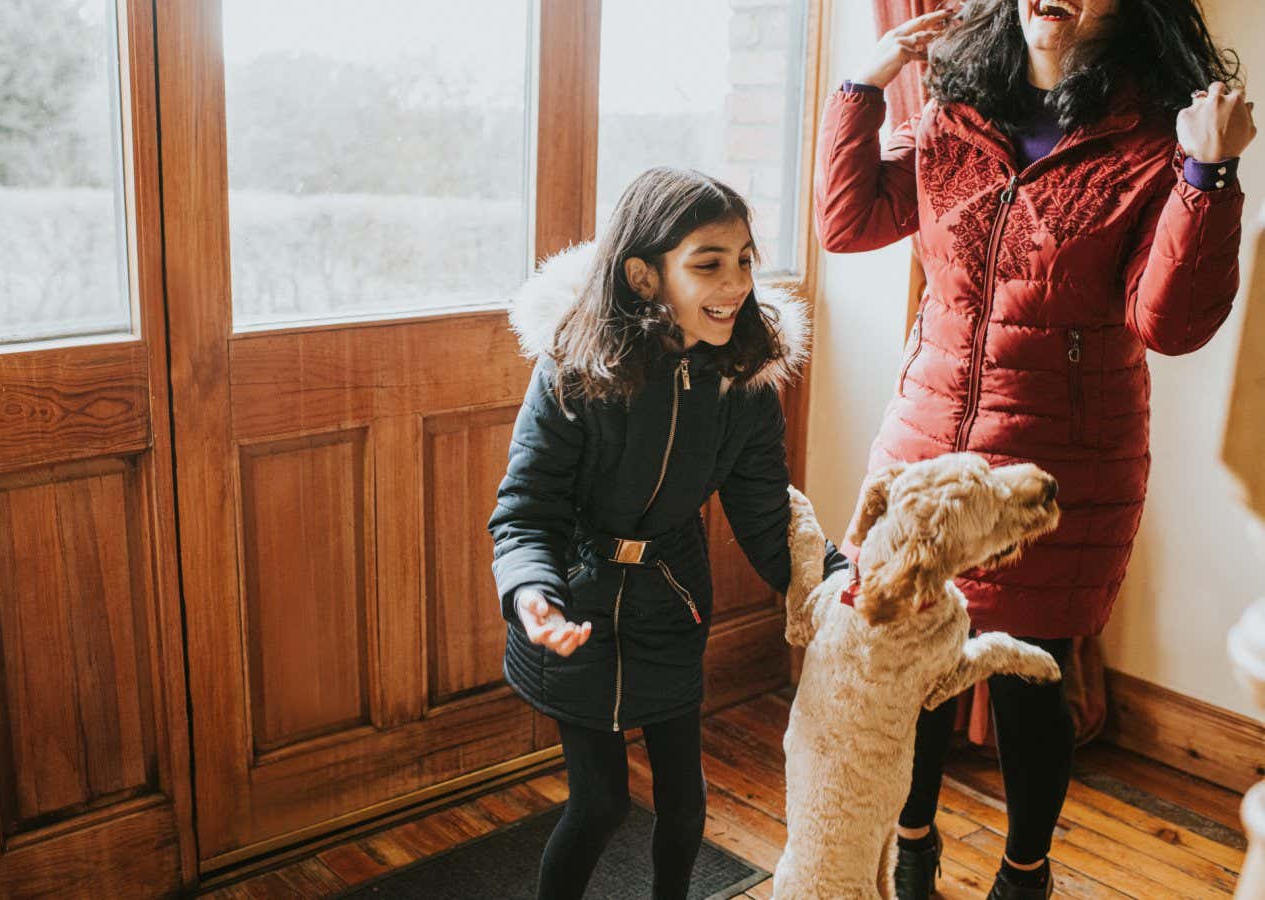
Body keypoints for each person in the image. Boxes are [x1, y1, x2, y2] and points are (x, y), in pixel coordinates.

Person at [815, 1, 1255, 897]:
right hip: (925, 448)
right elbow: (847, 222)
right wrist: (862, 86)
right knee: (910, 666)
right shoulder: (954, 108)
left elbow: (1168, 325)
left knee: (1028, 685)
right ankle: (912, 848)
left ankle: (1025, 874)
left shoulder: (1150, 139)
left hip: (1060, 469)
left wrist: (1208, 172)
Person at [489, 166, 846, 900]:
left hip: (670, 603)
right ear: (646, 277)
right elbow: (527, 509)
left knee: (684, 811)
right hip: (577, 611)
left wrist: (835, 578)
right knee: (601, 804)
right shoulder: (571, 372)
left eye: (745, 259)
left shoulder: (744, 384)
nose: (737, 282)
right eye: (708, 264)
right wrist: (532, 596)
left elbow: (764, 512)